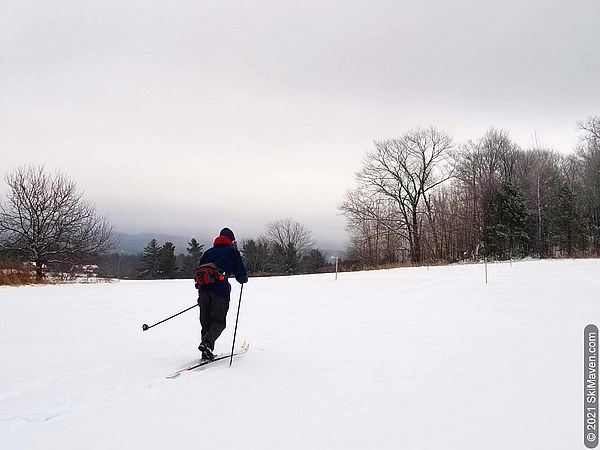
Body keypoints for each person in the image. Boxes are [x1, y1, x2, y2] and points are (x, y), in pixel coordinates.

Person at [197, 227, 247, 360]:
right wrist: (244, 279)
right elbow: (240, 275)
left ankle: (205, 351)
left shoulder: (208, 252)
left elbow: (199, 274)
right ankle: (207, 344)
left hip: (203, 292)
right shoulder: (232, 252)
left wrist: (200, 293)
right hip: (220, 291)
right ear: (231, 240)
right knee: (219, 322)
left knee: (206, 323)